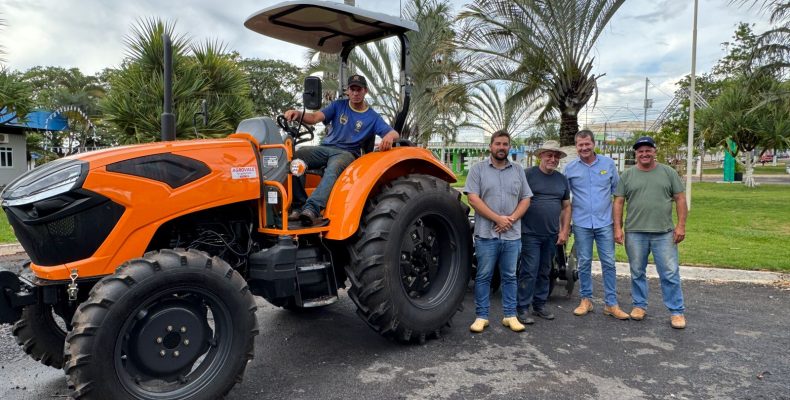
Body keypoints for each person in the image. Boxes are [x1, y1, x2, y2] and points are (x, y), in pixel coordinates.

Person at [284, 74, 400, 226]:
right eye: (352, 89)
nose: (355, 93)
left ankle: (312, 209)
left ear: (365, 91)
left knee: (334, 168)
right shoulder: (338, 106)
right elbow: (314, 118)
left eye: (359, 89)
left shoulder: (372, 117)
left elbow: (394, 133)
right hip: (325, 148)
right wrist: (298, 114)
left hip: (347, 154)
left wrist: (389, 138)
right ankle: (298, 206)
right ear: (348, 91)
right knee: (297, 158)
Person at [614, 136, 688, 329]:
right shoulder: (627, 175)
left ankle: (676, 311)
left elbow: (680, 199)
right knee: (637, 271)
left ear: (654, 151)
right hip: (635, 232)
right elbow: (619, 202)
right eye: (640, 151)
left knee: (670, 273)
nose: (644, 154)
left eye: (648, 150)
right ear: (636, 154)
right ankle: (639, 305)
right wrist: (617, 228)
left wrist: (681, 226)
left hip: (663, 232)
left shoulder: (668, 172)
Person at [465, 130, 532, 333]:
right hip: (486, 234)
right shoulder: (477, 170)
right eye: (498, 144)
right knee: (484, 276)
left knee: (510, 276)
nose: (501, 147)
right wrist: (498, 219)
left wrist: (510, 220)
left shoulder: (518, 170)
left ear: (509, 147)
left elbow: (526, 198)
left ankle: (510, 315)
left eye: (505, 144)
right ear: (490, 146)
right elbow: (473, 198)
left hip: (512, 235)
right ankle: (481, 316)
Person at [564, 130, 630, 320]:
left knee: (608, 262)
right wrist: (565, 225)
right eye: (580, 145)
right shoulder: (570, 169)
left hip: (604, 223)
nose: (584, 148)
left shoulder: (608, 165)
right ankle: (586, 300)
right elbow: (564, 199)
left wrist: (618, 226)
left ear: (593, 144)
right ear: (576, 147)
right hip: (582, 223)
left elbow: (618, 196)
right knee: (584, 262)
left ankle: (611, 304)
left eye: (587, 144)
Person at [516, 140, 571, 325]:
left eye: (556, 156)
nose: (553, 159)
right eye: (549, 155)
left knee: (545, 270)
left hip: (552, 234)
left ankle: (539, 305)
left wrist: (564, 230)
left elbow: (566, 207)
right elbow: (517, 200)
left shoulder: (561, 179)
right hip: (529, 233)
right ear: (540, 156)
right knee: (529, 270)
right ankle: (522, 307)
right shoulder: (527, 175)